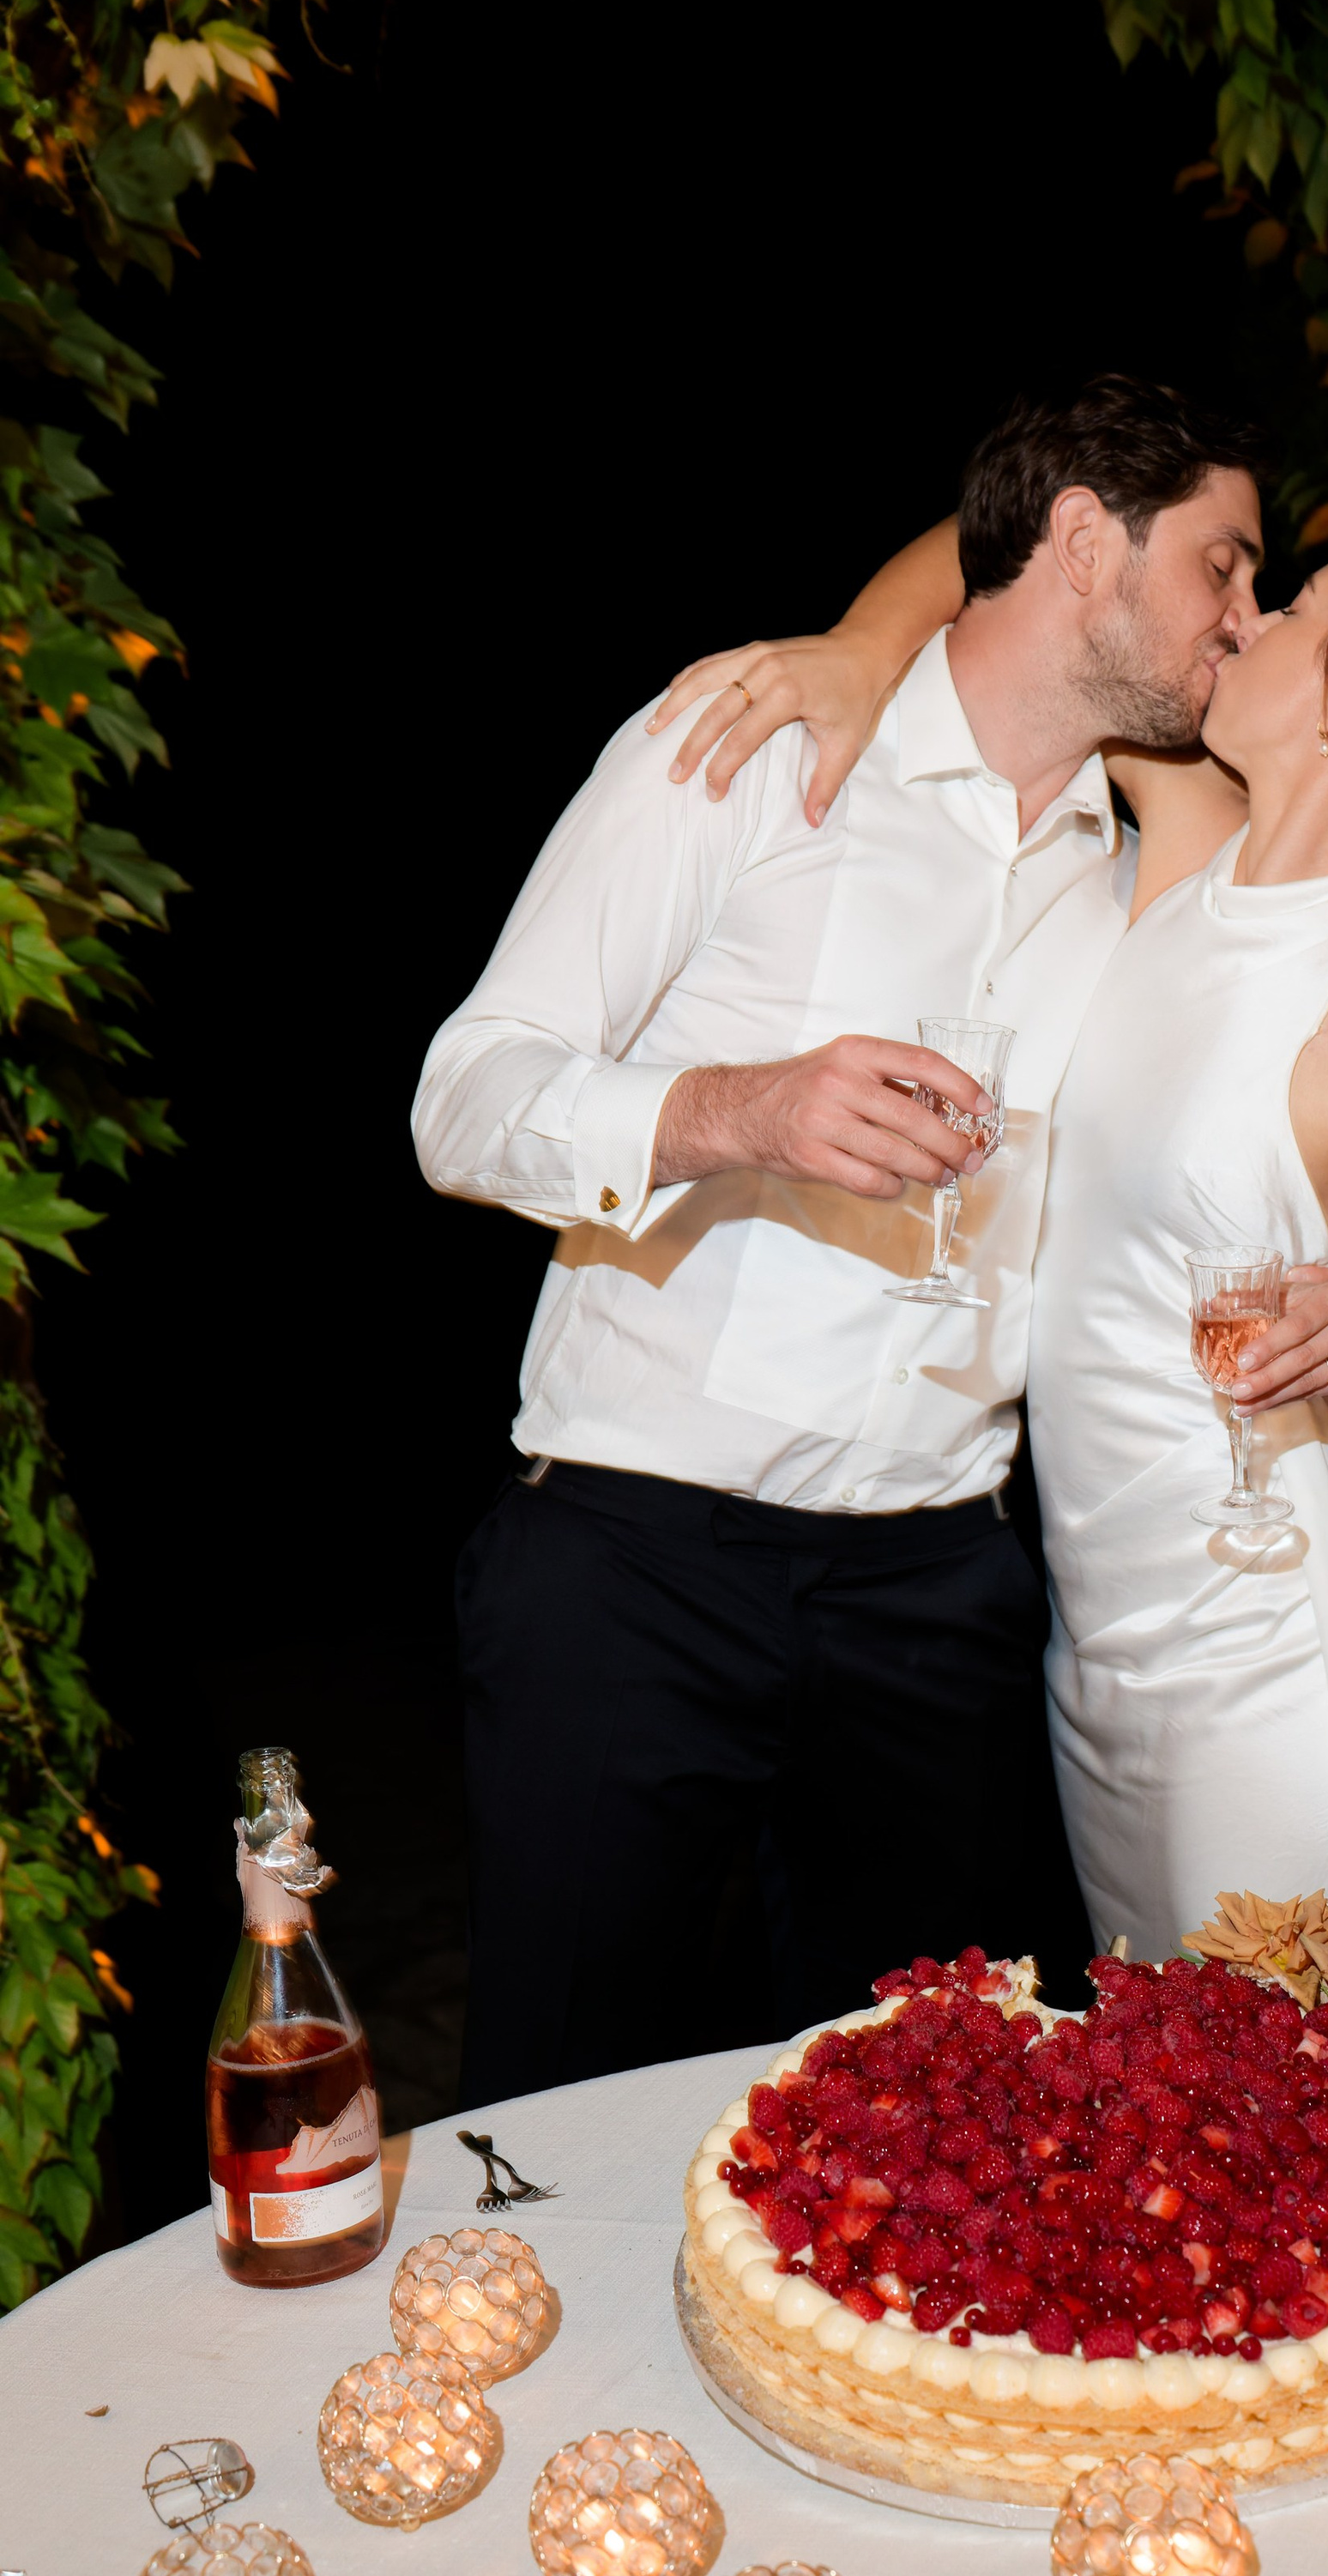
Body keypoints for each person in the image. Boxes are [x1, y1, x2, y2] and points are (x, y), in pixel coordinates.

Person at [412, 378, 1267, 2101]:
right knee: (566, 2103)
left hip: (941, 1589)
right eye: (1223, 569)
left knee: (924, 2140)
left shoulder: (1140, 871)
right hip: (633, 1563)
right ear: (1088, 544)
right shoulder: (743, 749)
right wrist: (733, 1112)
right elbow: (462, 1101)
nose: (1241, 623)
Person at [658, 521, 1328, 2018]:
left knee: (1317, 2124)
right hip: (1093, 1631)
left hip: (1269, 1635)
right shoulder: (1192, 844)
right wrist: (853, 652)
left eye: (1293, 609)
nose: (1245, 622)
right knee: (1166, 2124)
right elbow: (1010, 550)